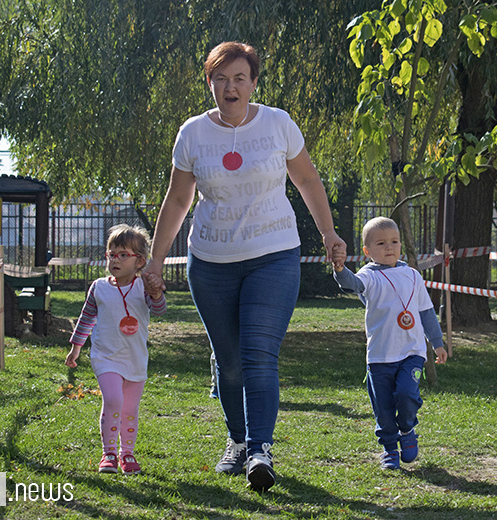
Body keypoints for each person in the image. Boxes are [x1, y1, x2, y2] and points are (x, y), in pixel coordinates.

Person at [143, 41, 345, 491]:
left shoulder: (278, 124)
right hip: (211, 263)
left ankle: (259, 450)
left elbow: (306, 178)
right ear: (210, 84)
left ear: (253, 83)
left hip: (273, 256)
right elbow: (178, 199)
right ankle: (237, 439)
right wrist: (156, 258)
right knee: (229, 362)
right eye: (221, 78)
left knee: (258, 355)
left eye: (239, 78)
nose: (230, 87)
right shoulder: (193, 133)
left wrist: (329, 233)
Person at [331, 216, 447, 470]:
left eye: (394, 241)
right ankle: (389, 449)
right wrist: (340, 269)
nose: (389, 247)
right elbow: (352, 284)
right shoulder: (369, 276)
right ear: (367, 251)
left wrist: (437, 342)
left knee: (406, 394)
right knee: (383, 408)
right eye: (381, 243)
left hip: (412, 353)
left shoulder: (412, 275)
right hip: (380, 356)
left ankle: (407, 428)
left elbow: (426, 311)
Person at [66, 224, 167, 475]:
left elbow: (160, 310)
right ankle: (108, 454)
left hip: (135, 359)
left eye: (123, 255)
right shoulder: (98, 287)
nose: (116, 260)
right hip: (105, 356)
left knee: (130, 409)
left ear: (140, 261)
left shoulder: (143, 286)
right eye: (112, 254)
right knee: (113, 400)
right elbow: (86, 318)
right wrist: (76, 347)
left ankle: (127, 454)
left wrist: (156, 294)